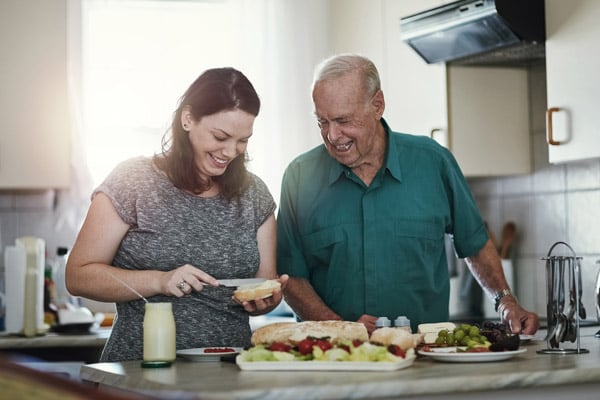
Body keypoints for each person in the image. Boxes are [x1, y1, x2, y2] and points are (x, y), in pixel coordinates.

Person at [276, 54, 538, 335]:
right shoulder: (300, 176)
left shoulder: (433, 162)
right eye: (322, 122)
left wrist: (505, 301)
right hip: (331, 360)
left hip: (425, 357)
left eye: (343, 120)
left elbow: (473, 242)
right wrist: (341, 329)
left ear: (377, 105)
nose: (332, 135)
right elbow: (290, 278)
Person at [66, 67, 288, 362]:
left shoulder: (254, 194)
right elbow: (78, 275)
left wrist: (265, 302)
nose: (231, 151)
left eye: (242, 140)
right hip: (141, 370)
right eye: (220, 136)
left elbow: (262, 283)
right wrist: (160, 281)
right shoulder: (133, 180)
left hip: (230, 374)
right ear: (187, 119)